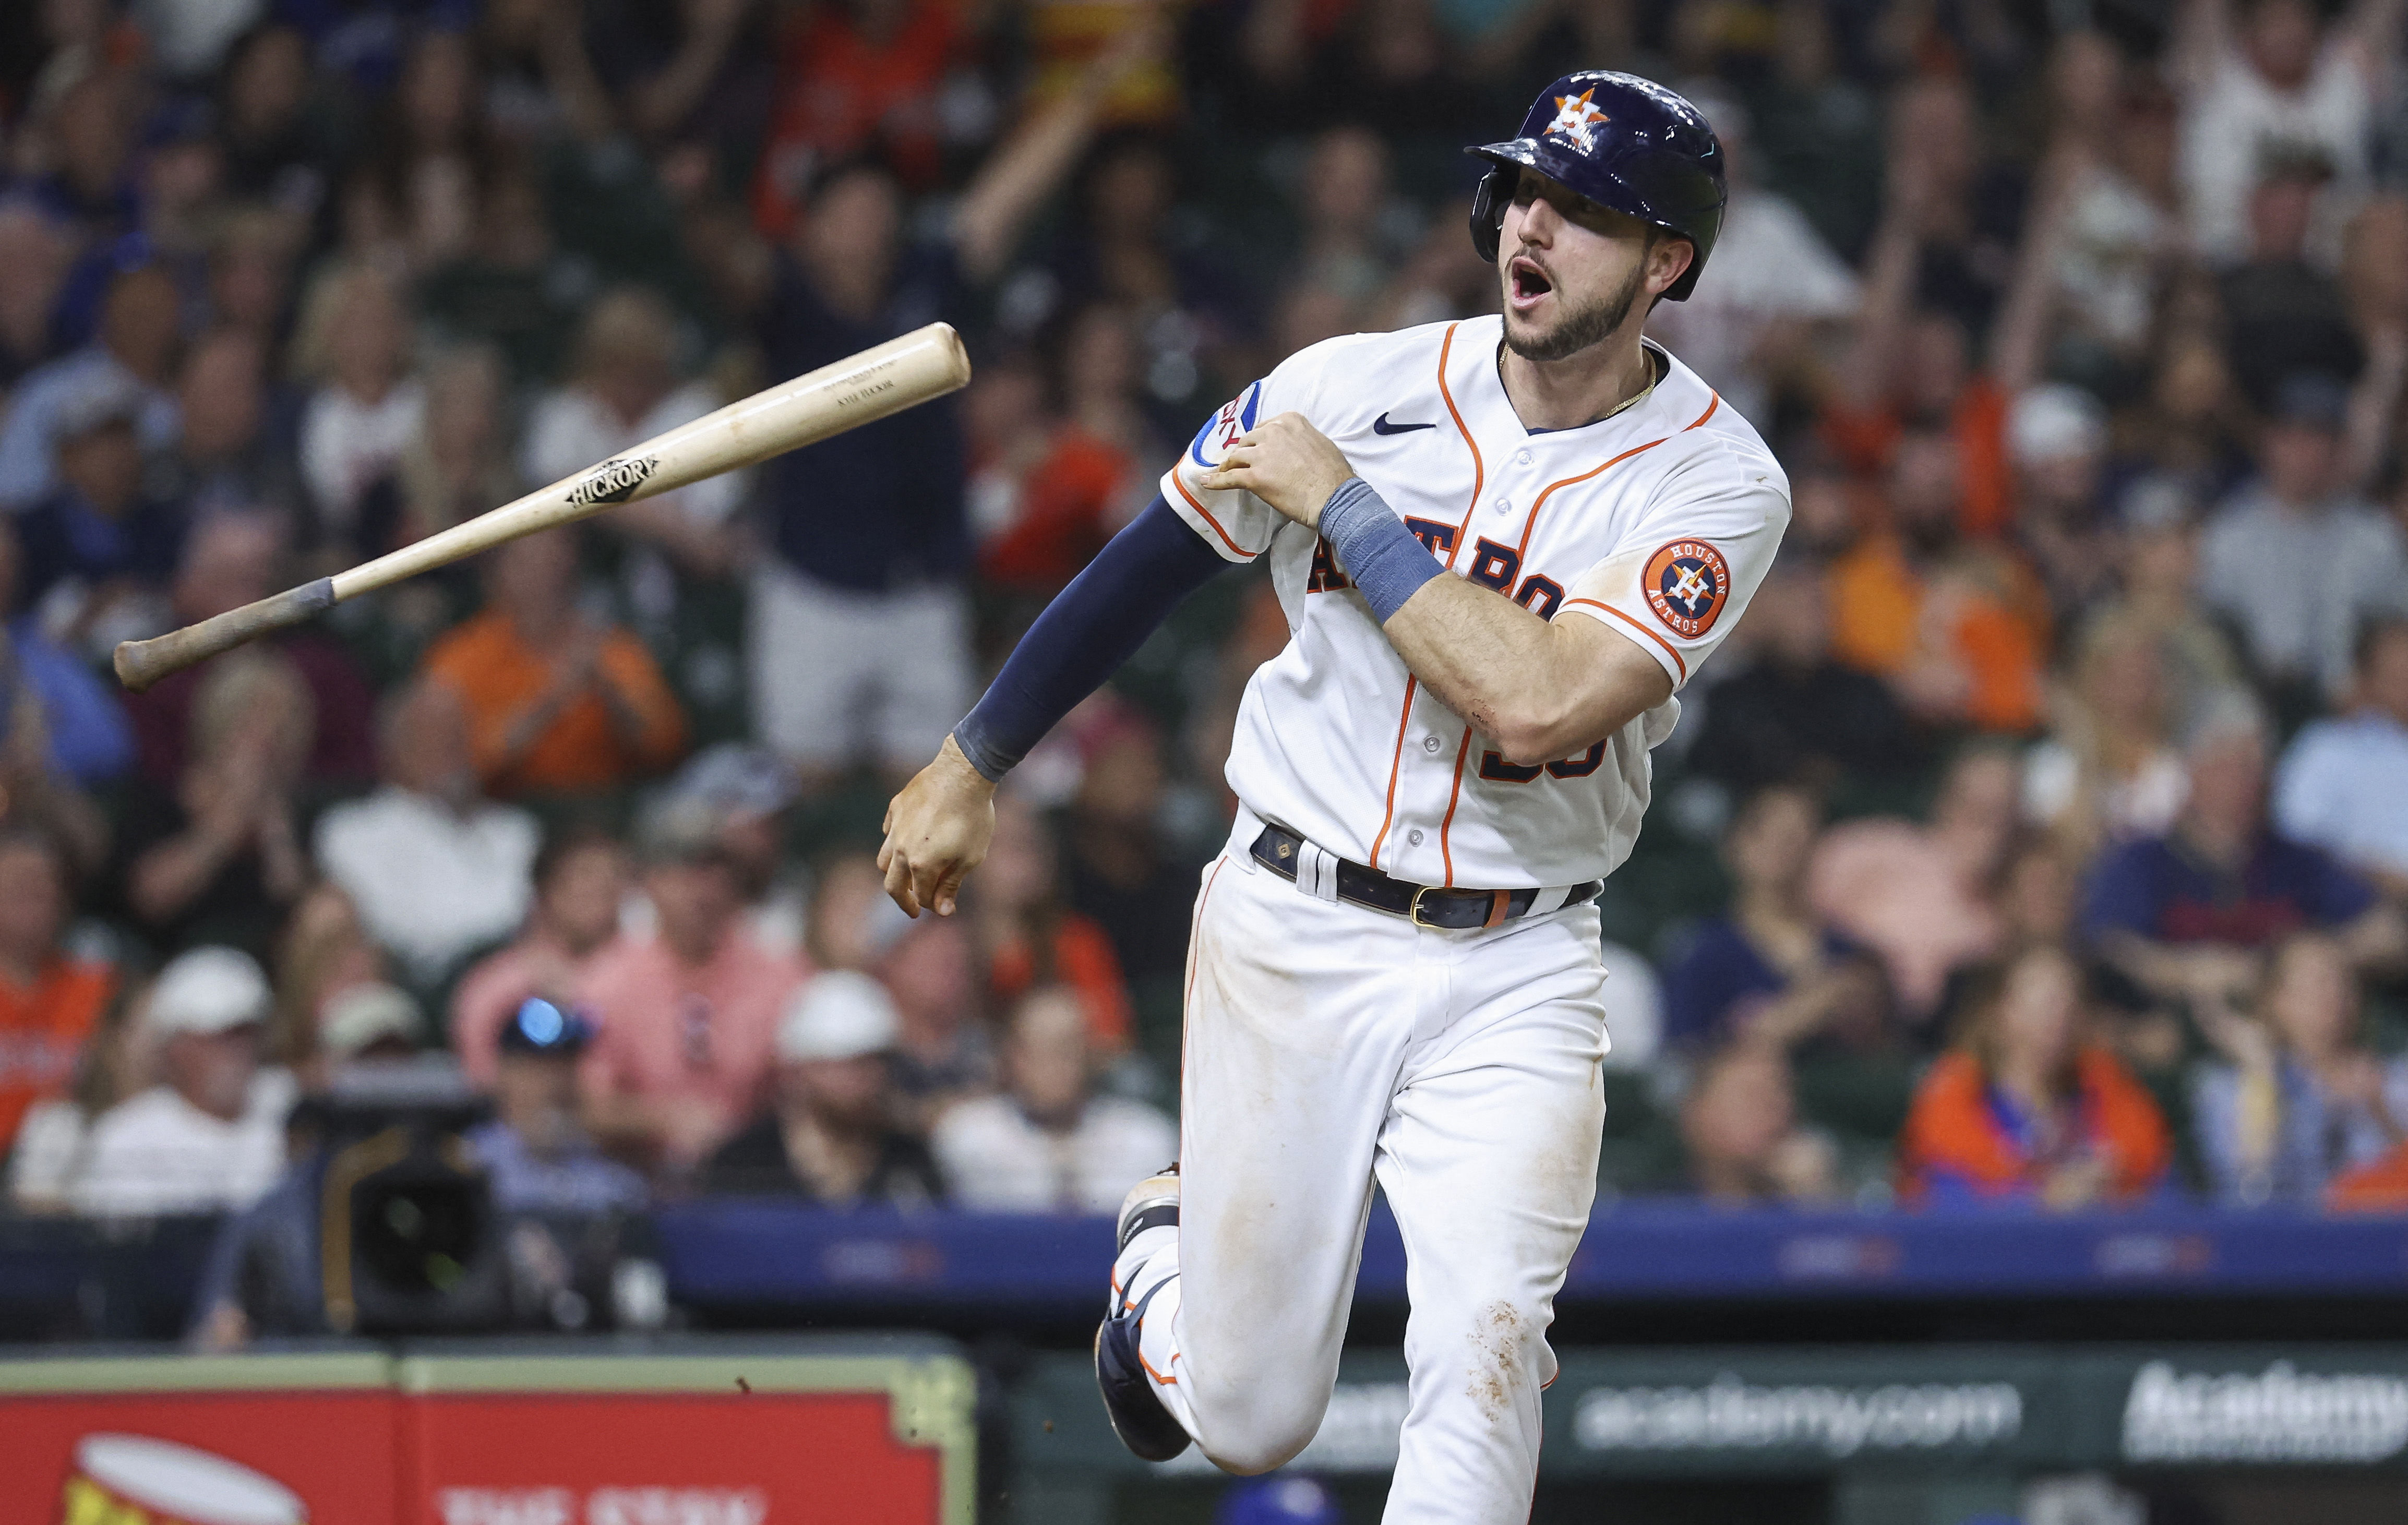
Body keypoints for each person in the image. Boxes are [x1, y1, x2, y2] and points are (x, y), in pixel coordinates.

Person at [880, 74, 1786, 1511]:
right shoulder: (1344, 388)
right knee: (1246, 1416)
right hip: (1295, 918)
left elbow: (1540, 695)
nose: (1529, 229)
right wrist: (970, 758)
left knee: (1487, 1335)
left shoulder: (1719, 482)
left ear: (1664, 262)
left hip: (1518, 952)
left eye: (1583, 211)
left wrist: (1341, 508)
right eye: (1523, 192)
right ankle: (1156, 1268)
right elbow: (1154, 560)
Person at [2083, 705, 2402, 1007]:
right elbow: (2110, 947)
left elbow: (2387, 933)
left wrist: (2300, 967)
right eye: (2230, 767)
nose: (2246, 783)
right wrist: (2185, 972)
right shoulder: (2142, 860)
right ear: (2194, 772)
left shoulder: (2298, 861)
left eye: (2256, 768)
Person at [576, 802, 810, 1172]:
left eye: (720, 871)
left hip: (756, 1174)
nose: (705, 888)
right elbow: (584, 1104)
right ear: (649, 880)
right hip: (637, 1176)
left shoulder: (782, 974)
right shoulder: (606, 982)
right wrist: (660, 1118)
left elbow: (809, 1088)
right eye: (686, 870)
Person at [420, 526, 688, 798]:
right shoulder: (460, 656)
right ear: (497, 575)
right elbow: (444, 765)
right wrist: (548, 702)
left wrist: (612, 694)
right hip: (501, 809)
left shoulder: (611, 649)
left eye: (555, 564)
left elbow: (665, 747)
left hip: (602, 804)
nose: (544, 580)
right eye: (528, 565)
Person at [1897, 946, 2171, 1208]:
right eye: (2046, 1000)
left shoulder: (2106, 1084)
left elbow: (2161, 1189)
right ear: (2001, 1010)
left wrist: (2111, 1182)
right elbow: (1942, 1205)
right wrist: (2044, 1200)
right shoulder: (1955, 1092)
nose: (2060, 1015)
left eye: (2070, 1000)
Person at [314, 680, 542, 990]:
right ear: (393, 748)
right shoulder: (352, 831)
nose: (449, 751)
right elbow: (401, 930)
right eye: (430, 736)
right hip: (417, 987)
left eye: (457, 737)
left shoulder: (515, 830)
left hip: (523, 980)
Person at [2198, 373, 2408, 703]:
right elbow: (2211, 635)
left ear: (2342, 449)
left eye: (2322, 440)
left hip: (2353, 709)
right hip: (2253, 703)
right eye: (2295, 438)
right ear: (2271, 441)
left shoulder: (2375, 536)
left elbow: (2397, 631)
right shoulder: (2229, 533)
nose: (2309, 453)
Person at [70, 946, 294, 1217]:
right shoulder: (128, 1138)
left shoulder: (293, 1107)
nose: (234, 1051)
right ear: (175, 1046)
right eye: (217, 1037)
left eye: (245, 1033)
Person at [1663, 786, 1887, 1054]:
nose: (1781, 847)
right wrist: (1797, 1014)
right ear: (1734, 844)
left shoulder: (1851, 953)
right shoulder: (1702, 953)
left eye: (1797, 836)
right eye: (1766, 833)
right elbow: (1685, 1053)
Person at [2193, 932, 2408, 1205]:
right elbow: (2250, 1188)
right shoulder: (2232, 1085)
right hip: (2284, 1240)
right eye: (2315, 983)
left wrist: (2380, 1111)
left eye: (2341, 981)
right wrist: (2262, 1074)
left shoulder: (2394, 1077)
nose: (2333, 994)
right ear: (2274, 1000)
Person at [1808, 747, 2020, 1023]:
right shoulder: (1878, 848)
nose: (1992, 821)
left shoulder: (2016, 893)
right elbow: (1797, 917)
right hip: (1844, 1022)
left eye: (2004, 807)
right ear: (1945, 801)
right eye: (1977, 804)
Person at [701, 972, 943, 1205]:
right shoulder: (743, 1164)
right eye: (838, 1065)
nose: (856, 1080)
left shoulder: (910, 1161)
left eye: (870, 1062)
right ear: (798, 1070)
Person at [930, 987, 1176, 1212]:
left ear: (1092, 1053)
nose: (1056, 1063)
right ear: (1013, 1056)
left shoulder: (1146, 1138)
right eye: (1040, 1047)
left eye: (1068, 1046)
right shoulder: (968, 1135)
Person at [451, 825, 630, 1090]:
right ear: (547, 891)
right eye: (584, 873)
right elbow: (479, 1072)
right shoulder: (503, 981)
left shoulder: (647, 967)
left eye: (614, 876)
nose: (600, 885)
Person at [470, 998, 649, 1216]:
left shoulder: (615, 1184)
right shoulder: (471, 1165)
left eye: (564, 1067)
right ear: (505, 1073)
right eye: (538, 1069)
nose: (553, 1085)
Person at [0, 828, 116, 1152]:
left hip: (69, 1167)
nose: (33, 897)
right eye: (18, 886)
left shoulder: (97, 988)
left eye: (43, 886)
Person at [2274, 616, 2408, 895]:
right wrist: (2382, 879)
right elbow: (2298, 846)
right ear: (2367, 681)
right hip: (2363, 905)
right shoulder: (2327, 750)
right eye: (2398, 676)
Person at [1679, 1040, 1839, 1205]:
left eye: (1782, 1094)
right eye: (1752, 1095)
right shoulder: (1664, 1207)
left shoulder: (1807, 1200)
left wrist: (1813, 1195)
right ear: (1699, 1112)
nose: (1778, 1108)